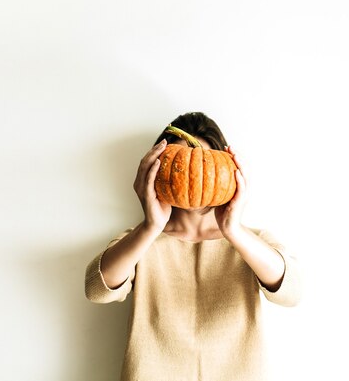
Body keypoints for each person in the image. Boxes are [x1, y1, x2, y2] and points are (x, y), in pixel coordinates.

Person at [85, 111, 301, 381]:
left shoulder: (250, 241)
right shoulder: (141, 241)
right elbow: (96, 289)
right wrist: (151, 226)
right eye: (178, 165)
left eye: (201, 165)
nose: (189, 174)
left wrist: (233, 229)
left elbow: (291, 291)